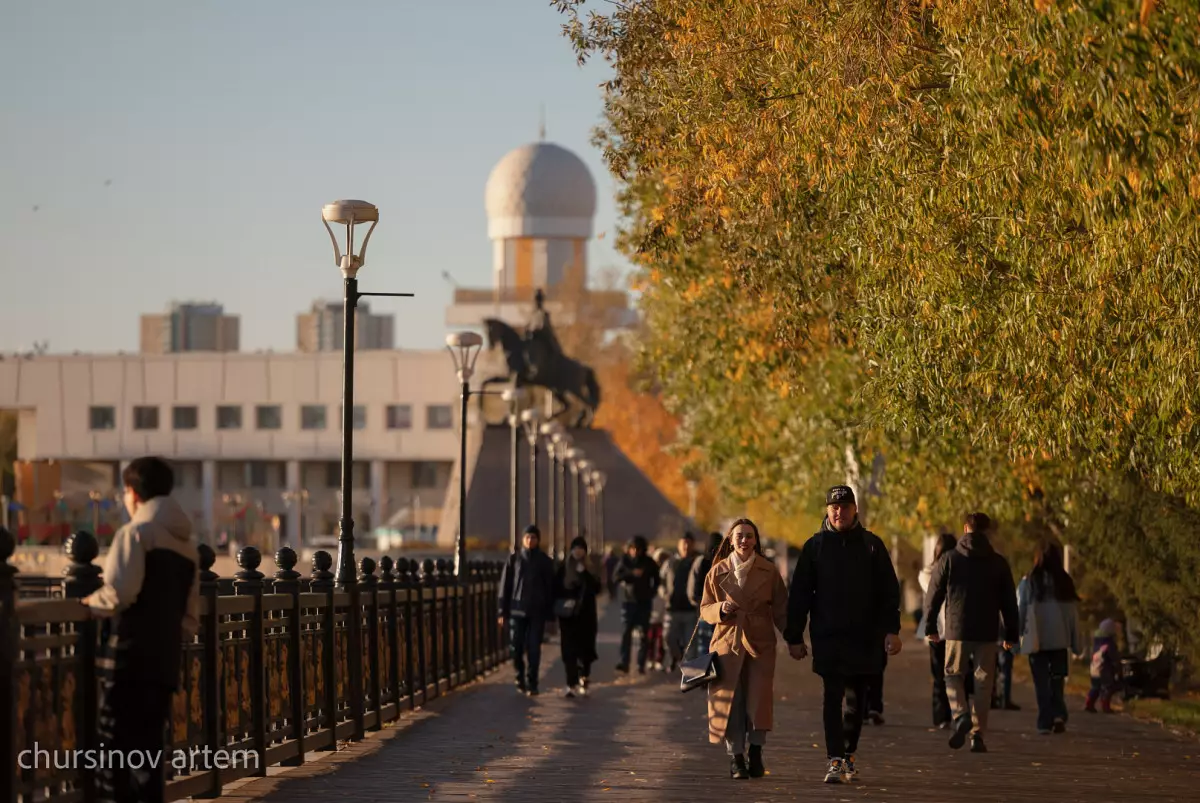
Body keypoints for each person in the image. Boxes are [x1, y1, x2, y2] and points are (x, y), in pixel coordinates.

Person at [82, 456, 200, 803]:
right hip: (164, 660)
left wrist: (88, 604)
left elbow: (119, 593)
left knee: (114, 746)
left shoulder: (136, 534)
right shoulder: (187, 546)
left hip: (129, 658)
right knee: (148, 752)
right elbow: (190, 616)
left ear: (133, 493)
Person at [785, 486, 902, 785]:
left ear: (855, 510)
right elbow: (800, 594)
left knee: (856, 702)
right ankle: (835, 759)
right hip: (828, 637)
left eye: (845, 506)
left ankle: (849, 753)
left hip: (865, 637)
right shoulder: (815, 547)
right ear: (826, 510)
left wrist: (892, 631)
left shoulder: (872, 545)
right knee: (831, 697)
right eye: (834, 507)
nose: (840, 512)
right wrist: (794, 636)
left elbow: (889, 592)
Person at [699, 518, 789, 780]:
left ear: (756, 540)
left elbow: (781, 610)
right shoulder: (717, 571)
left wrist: (793, 640)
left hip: (760, 641)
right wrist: (720, 609)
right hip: (727, 642)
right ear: (730, 539)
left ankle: (757, 752)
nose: (744, 541)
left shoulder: (769, 571)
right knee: (730, 701)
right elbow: (705, 609)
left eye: (749, 536)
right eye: (739, 536)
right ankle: (736, 757)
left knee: (758, 699)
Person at [923, 512, 1020, 754]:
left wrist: (930, 627)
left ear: (965, 528)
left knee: (953, 675)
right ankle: (977, 735)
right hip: (987, 632)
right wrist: (1011, 634)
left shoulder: (950, 558)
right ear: (988, 532)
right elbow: (1009, 601)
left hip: (957, 630)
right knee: (983, 685)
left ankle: (961, 713)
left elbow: (933, 595)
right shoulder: (998, 562)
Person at [1016, 541, 1084, 734]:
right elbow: (1072, 614)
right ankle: (1058, 714)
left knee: (1041, 682)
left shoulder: (1029, 582)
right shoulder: (1064, 583)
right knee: (1057, 681)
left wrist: (1015, 635)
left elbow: (1021, 609)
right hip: (1060, 641)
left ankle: (1045, 720)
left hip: (1037, 641)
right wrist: (1076, 643)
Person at [497, 524, 556, 696]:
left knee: (534, 648)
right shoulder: (514, 560)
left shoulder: (545, 561)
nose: (530, 540)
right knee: (515, 647)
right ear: (523, 539)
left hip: (537, 612)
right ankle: (519, 675)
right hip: (516, 610)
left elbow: (550, 588)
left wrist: (550, 612)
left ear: (538, 540)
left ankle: (533, 682)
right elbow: (505, 587)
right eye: (528, 537)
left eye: (534, 538)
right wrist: (502, 611)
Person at [918, 532, 961, 728]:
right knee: (952, 674)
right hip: (951, 628)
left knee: (940, 676)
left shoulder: (930, 572)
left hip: (938, 628)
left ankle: (944, 715)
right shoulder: (952, 571)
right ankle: (952, 714)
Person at [555, 535, 601, 698]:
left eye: (581, 548)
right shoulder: (563, 568)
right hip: (568, 615)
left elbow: (597, 588)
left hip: (586, 615)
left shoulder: (591, 568)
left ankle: (584, 676)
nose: (578, 551)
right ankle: (571, 683)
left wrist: (585, 574)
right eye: (575, 548)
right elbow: (556, 588)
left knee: (586, 649)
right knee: (568, 650)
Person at [614, 535, 660, 673]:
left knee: (643, 635)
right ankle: (624, 662)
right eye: (632, 548)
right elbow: (615, 577)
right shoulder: (624, 561)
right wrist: (631, 574)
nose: (634, 551)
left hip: (644, 602)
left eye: (637, 549)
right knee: (626, 633)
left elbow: (657, 580)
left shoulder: (649, 562)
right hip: (628, 602)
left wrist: (651, 593)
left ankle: (641, 663)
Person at [662, 532, 700, 671]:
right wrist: (665, 594)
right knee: (668, 638)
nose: (685, 546)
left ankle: (690, 671)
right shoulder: (670, 563)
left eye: (688, 543)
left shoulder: (697, 561)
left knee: (691, 642)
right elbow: (661, 581)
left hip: (691, 609)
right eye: (683, 543)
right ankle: (677, 658)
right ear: (678, 545)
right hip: (672, 608)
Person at [688, 532, 724, 655]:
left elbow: (693, 589)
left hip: (705, 609)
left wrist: (698, 603)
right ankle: (717, 671)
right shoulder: (726, 562)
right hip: (722, 611)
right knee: (720, 645)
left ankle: (705, 671)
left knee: (704, 645)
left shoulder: (702, 561)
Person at [1085, 619, 1121, 713]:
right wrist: (1117, 664)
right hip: (1104, 670)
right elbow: (1113, 656)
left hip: (1094, 669)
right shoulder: (1109, 644)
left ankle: (1089, 703)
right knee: (1108, 687)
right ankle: (1105, 706)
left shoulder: (1097, 643)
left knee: (1095, 687)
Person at [647, 548, 670, 670]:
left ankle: (659, 659)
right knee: (650, 636)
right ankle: (650, 658)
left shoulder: (669, 570)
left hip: (664, 605)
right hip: (653, 605)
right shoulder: (651, 571)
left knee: (661, 637)